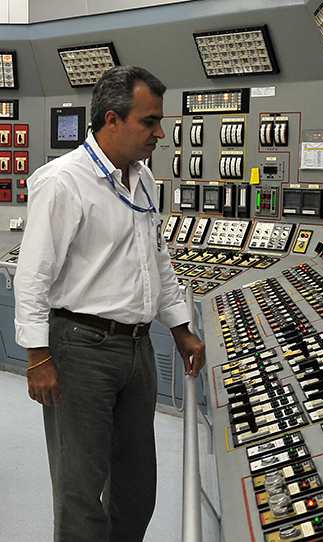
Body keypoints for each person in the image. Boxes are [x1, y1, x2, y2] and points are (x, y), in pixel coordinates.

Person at [13, 65, 206, 542]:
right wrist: (38, 356)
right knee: (82, 493)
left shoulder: (142, 180)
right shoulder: (62, 181)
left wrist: (179, 328)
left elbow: (155, 260)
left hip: (138, 349)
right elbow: (32, 277)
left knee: (137, 490)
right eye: (149, 121)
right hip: (80, 348)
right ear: (111, 120)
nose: (160, 132)